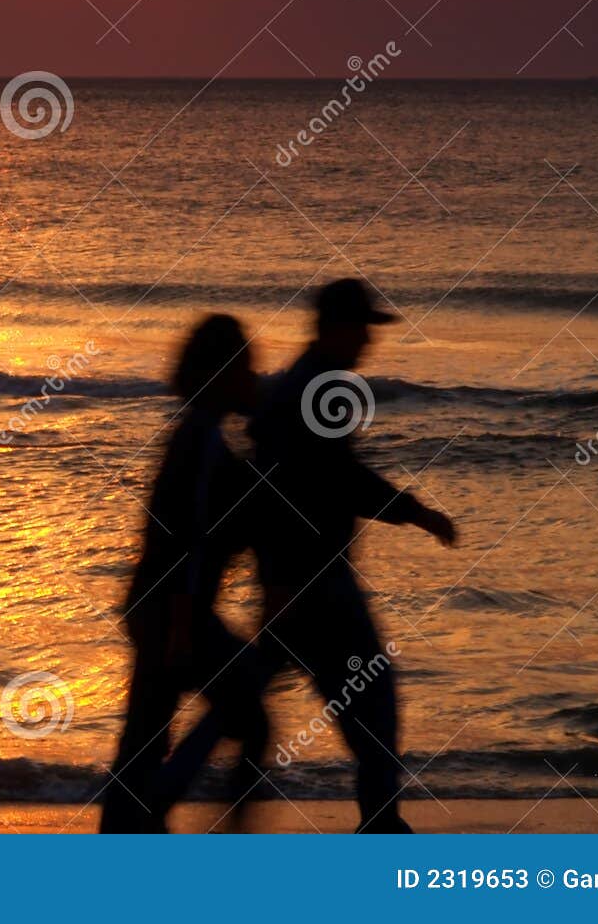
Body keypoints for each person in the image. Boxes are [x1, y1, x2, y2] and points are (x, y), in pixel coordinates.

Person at [249, 277, 456, 832]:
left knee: (252, 697)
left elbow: (309, 478)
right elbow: (335, 480)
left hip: (300, 579)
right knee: (375, 704)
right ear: (337, 328)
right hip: (316, 583)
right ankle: (382, 828)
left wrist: (273, 578)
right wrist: (417, 512)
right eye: (362, 327)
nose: (368, 340)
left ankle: (155, 796)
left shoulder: (305, 383)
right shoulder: (317, 388)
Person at [101, 314, 270, 833]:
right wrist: (180, 627)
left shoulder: (202, 435)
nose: (253, 378)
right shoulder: (201, 440)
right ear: (222, 374)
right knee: (240, 709)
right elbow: (185, 539)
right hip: (172, 612)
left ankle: (140, 819)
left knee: (147, 737)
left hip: (163, 608)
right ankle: (159, 812)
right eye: (245, 368)